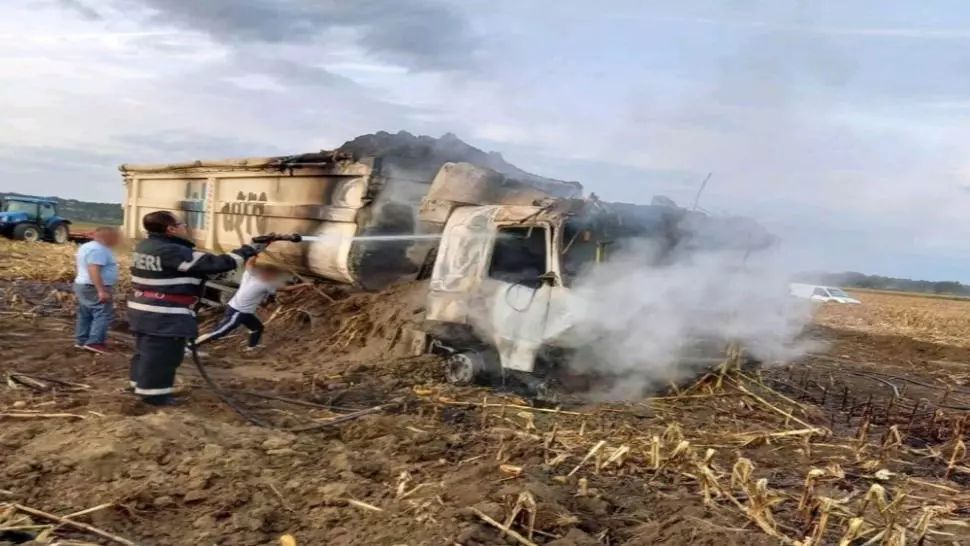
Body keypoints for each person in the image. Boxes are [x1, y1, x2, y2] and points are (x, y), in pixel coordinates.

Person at [127, 211, 262, 406]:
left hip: (145, 309)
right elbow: (219, 263)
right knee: (164, 354)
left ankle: (138, 384)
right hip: (164, 312)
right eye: (181, 224)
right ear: (171, 229)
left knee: (146, 349)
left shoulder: (145, 246)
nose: (185, 227)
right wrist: (249, 248)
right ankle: (154, 396)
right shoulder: (173, 251)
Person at [195, 257, 286, 351]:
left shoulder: (249, 274)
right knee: (221, 331)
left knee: (257, 327)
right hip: (238, 311)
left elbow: (248, 264)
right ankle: (191, 346)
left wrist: (254, 255)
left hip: (244, 311)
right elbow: (285, 289)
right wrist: (302, 285)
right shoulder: (266, 284)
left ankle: (252, 347)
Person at [74, 226, 121, 354]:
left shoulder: (88, 246)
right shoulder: (98, 250)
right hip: (93, 286)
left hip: (84, 285)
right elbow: (93, 269)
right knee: (102, 313)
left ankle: (82, 340)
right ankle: (95, 342)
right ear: (106, 236)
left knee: (86, 314)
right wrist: (101, 290)